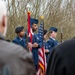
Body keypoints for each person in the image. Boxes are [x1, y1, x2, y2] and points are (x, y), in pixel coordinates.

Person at [0, 1, 36, 75]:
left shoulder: (25, 39)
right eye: (22, 31)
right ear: (4, 20)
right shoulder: (15, 42)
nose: (24, 32)